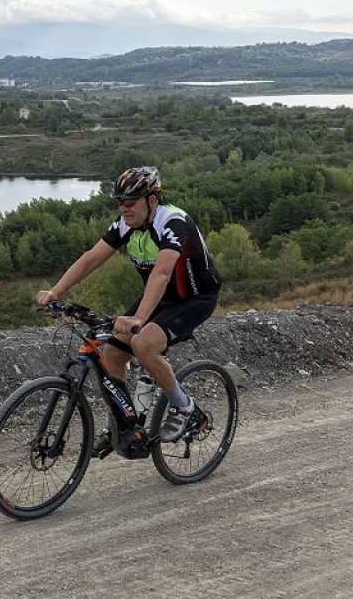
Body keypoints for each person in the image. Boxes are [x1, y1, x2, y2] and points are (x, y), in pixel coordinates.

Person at [35, 166, 221, 447]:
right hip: (159, 296)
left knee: (143, 343)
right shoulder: (127, 223)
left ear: (152, 200)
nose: (124, 208)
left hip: (195, 298)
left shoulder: (173, 222)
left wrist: (139, 318)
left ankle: (184, 408)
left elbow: (162, 273)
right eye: (120, 202)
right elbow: (91, 259)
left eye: (130, 202)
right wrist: (56, 291)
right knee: (112, 351)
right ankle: (123, 426)